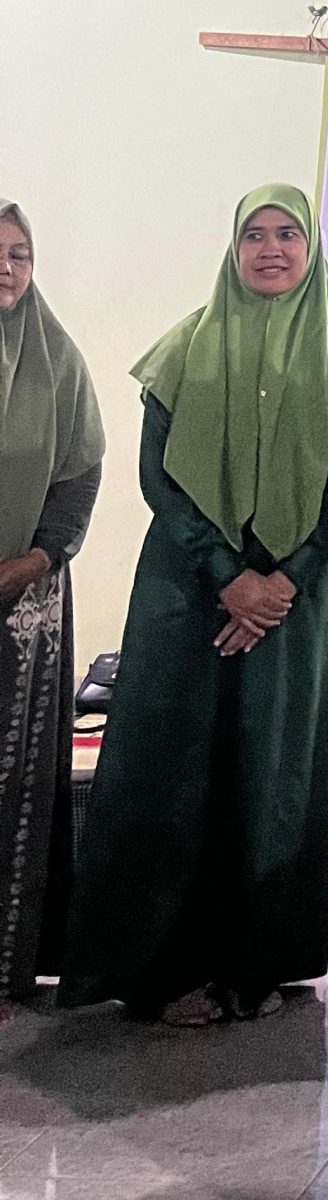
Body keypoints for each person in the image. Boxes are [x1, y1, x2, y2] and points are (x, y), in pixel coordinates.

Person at [62, 186, 328, 1027]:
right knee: (173, 767)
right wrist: (226, 574)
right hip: (186, 593)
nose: (271, 249)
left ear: (311, 248)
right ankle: (162, 971)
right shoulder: (186, 348)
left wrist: (284, 580)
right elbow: (158, 475)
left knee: (271, 775)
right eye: (255, 235)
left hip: (293, 603)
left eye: (288, 234)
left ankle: (256, 966)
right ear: (233, 249)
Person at [0, 200, 104, 1014]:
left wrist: (35, 559)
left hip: (22, 602)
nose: (6, 268)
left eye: (19, 254)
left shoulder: (57, 360)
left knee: (13, 788)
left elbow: (79, 475)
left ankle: (5, 968)